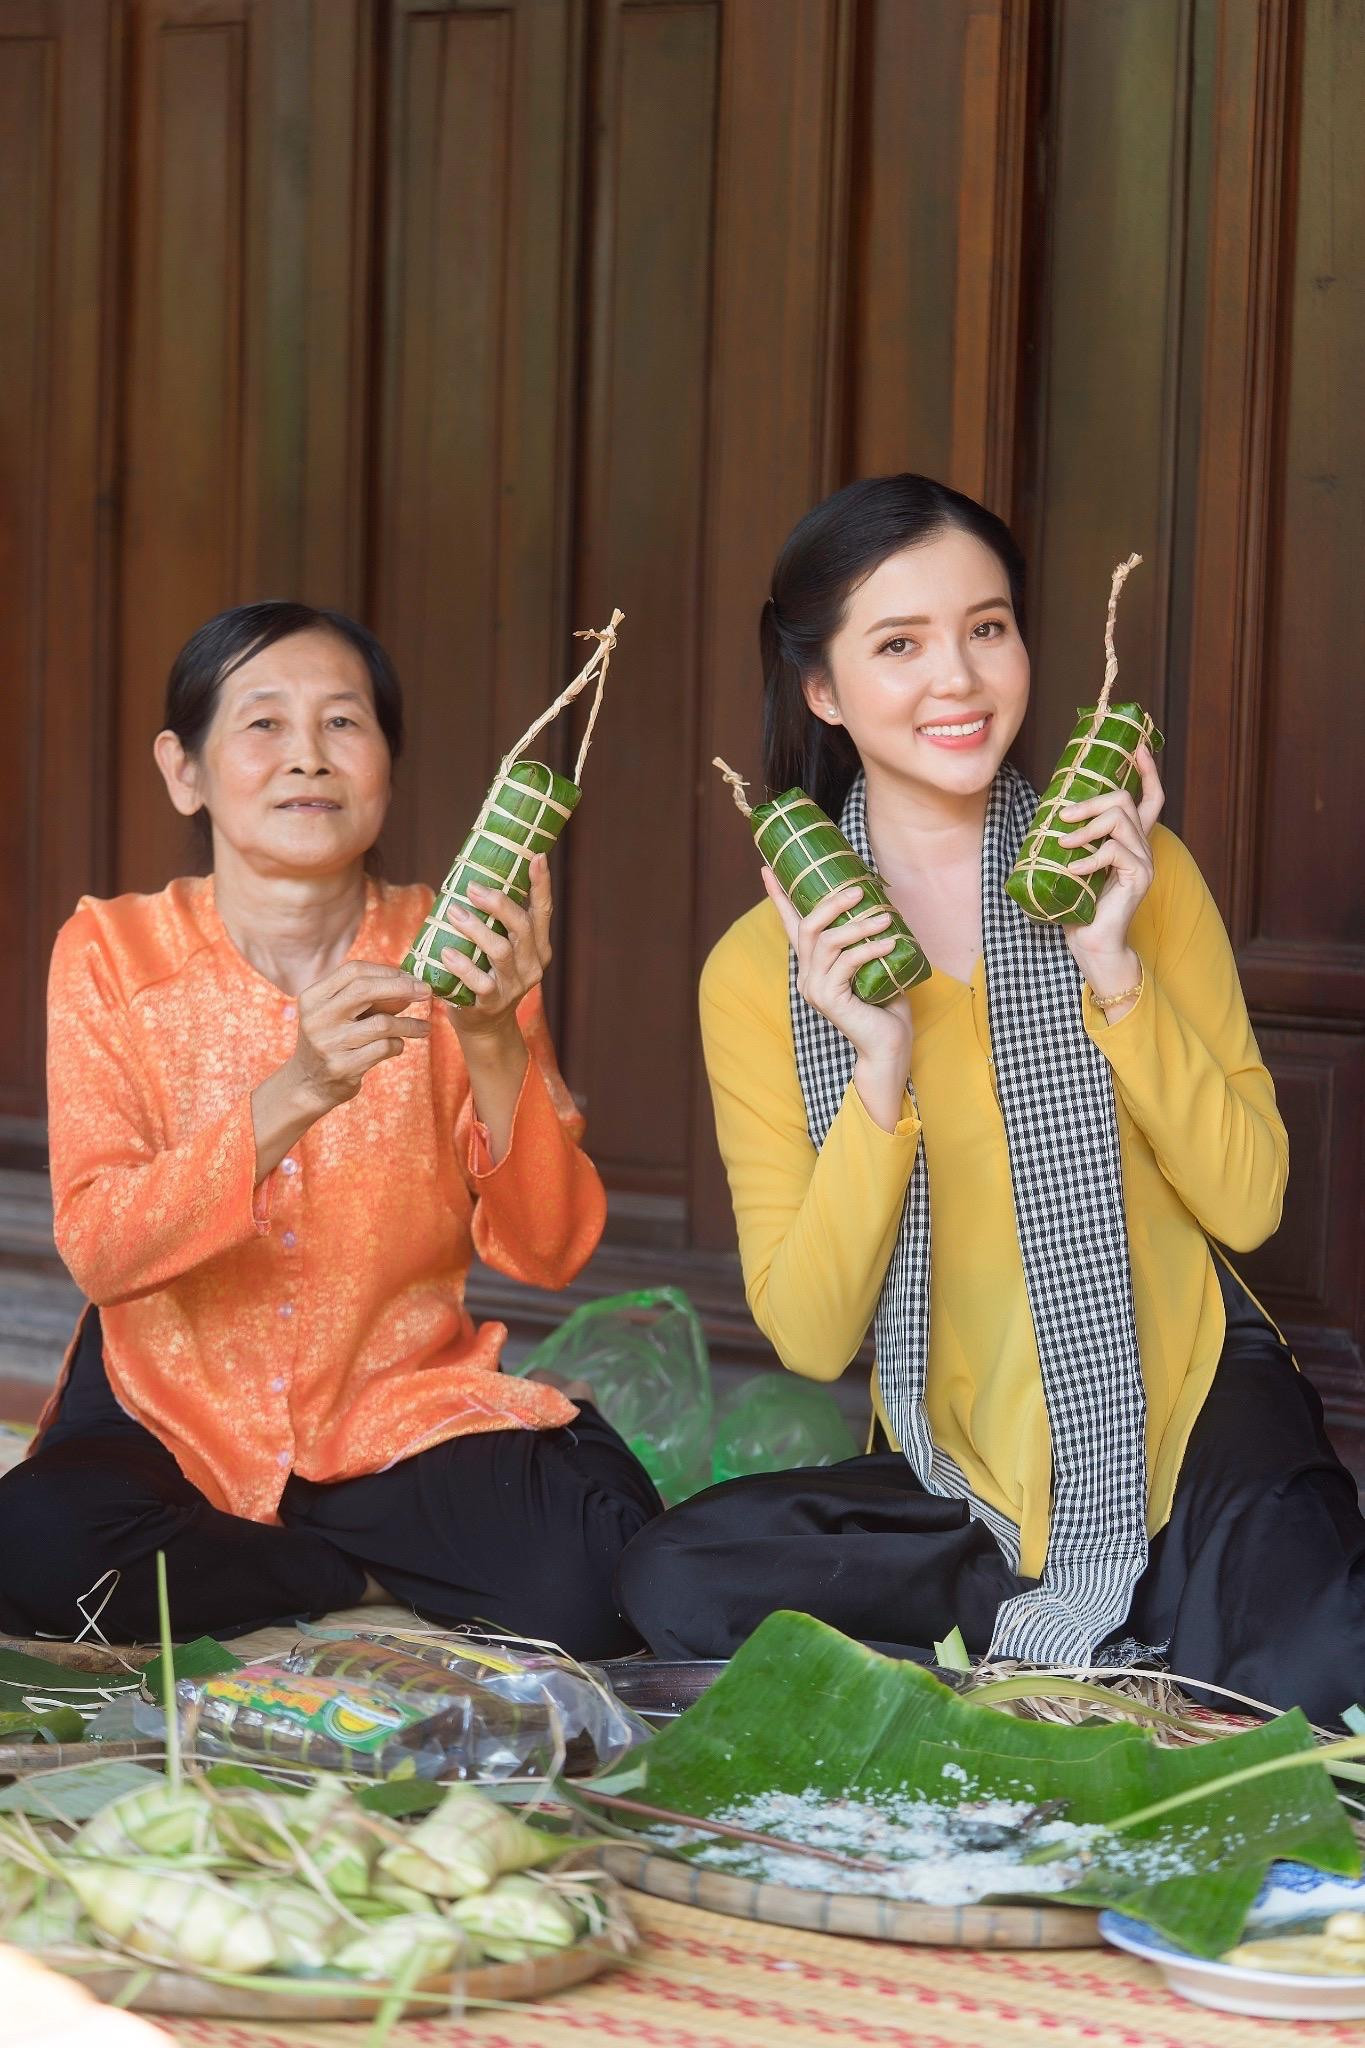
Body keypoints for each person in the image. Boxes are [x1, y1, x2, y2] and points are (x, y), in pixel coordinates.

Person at [616, 474, 1365, 1721]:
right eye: (898, 644)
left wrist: (1114, 969)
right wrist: (876, 1058)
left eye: (988, 626)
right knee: (675, 1575)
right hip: (954, 1458)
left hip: (1179, 1391)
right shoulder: (760, 971)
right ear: (822, 687)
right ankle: (1115, 1624)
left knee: (1321, 1674)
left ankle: (1112, 1617)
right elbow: (810, 1332)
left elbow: (1248, 1202)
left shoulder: (1133, 868)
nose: (957, 680)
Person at [0, 602, 660, 1651]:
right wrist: (295, 1090)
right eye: (262, 724)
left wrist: (493, 1037)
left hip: (386, 1404)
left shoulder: (461, 947)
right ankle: (347, 1571)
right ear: (186, 770)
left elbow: (550, 1249)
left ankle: (301, 1551)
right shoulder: (110, 953)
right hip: (168, 1403)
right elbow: (101, 1248)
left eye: (343, 723)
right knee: (32, 1546)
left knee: (603, 1577)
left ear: (388, 762)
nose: (307, 756)